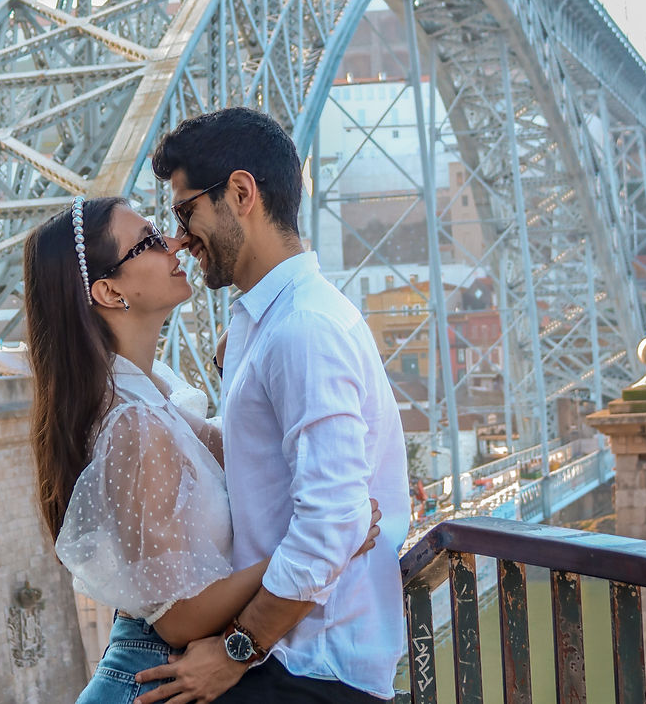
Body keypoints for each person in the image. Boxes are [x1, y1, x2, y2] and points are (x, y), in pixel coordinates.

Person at [24, 196, 380, 704]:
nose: (175, 243)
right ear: (108, 290)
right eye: (148, 241)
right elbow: (179, 617)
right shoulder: (133, 425)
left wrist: (239, 367)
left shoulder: (147, 396)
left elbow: (239, 457)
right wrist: (318, 552)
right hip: (154, 680)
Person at [136, 107, 410, 703]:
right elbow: (262, 470)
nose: (179, 237)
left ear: (240, 193)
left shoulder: (302, 329)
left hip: (309, 670)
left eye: (185, 211)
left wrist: (235, 653)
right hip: (293, 662)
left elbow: (333, 522)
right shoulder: (273, 325)